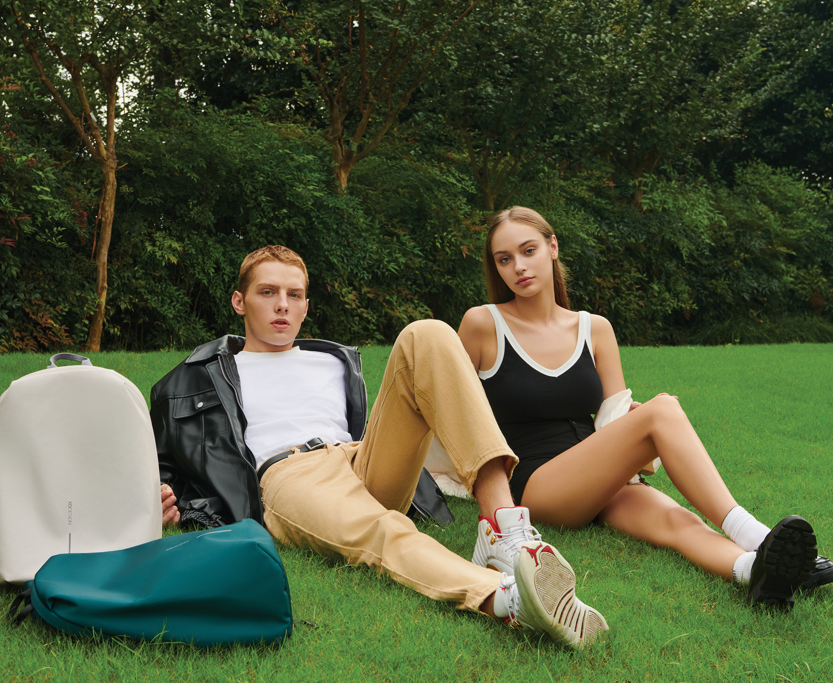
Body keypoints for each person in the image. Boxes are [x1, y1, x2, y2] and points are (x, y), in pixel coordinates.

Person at [151, 245, 609, 647]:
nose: (282, 305)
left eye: (294, 295)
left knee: (427, 332)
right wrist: (163, 495)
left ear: (307, 306)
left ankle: (502, 530)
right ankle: (507, 599)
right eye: (267, 292)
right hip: (289, 474)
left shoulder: (332, 360)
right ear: (240, 301)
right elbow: (163, 456)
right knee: (383, 529)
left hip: (359, 455)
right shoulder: (200, 375)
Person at [457, 207, 833, 611]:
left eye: (528, 250)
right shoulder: (483, 324)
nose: (519, 267)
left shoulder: (595, 328)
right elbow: (452, 408)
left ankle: (755, 571)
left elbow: (611, 416)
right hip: (539, 484)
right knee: (662, 410)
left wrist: (628, 427)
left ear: (552, 247)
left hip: (600, 474)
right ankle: (759, 536)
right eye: (504, 259)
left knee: (677, 520)